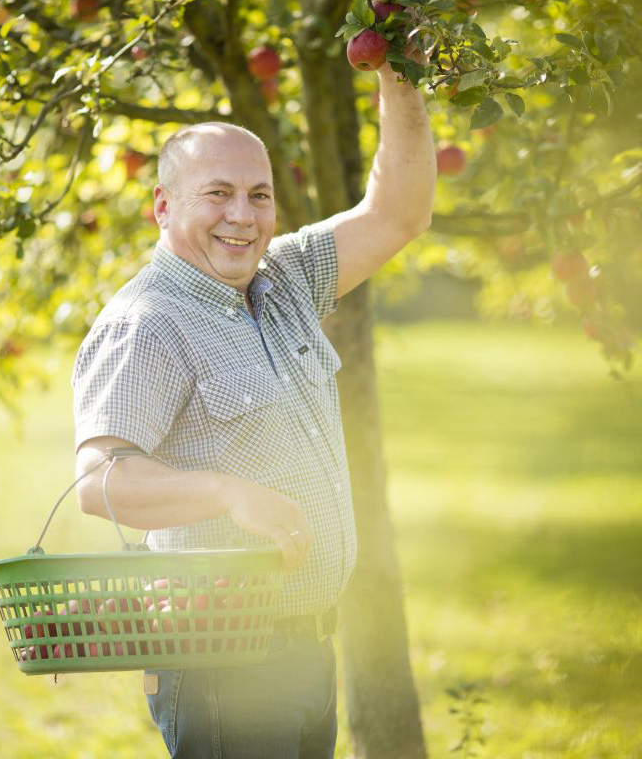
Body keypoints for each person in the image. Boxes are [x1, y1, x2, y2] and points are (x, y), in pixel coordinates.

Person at [71, 61, 436, 758]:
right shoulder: (147, 323)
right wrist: (227, 493)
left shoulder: (287, 278)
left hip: (306, 647)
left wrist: (398, 72)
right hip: (222, 664)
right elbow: (98, 482)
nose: (242, 215)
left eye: (259, 195)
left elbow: (399, 213)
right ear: (163, 207)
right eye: (218, 193)